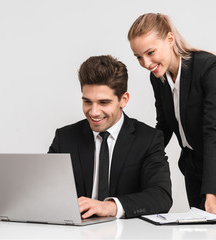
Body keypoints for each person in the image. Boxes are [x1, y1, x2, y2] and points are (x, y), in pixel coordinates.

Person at [128, 13, 216, 220]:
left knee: (207, 227)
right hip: (194, 163)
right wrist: (137, 157)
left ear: (170, 40)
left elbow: (215, 133)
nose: (146, 63)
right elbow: (164, 125)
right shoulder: (157, 77)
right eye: (139, 57)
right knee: (196, 229)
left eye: (150, 52)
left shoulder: (210, 68)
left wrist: (211, 199)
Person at [48, 55, 172, 219]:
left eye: (103, 103)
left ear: (123, 100)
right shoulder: (65, 138)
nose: (93, 112)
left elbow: (160, 196)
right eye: (87, 102)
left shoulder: (148, 139)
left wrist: (111, 207)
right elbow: (45, 190)